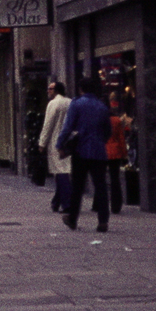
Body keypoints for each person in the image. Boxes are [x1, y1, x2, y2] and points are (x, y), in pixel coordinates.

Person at [61, 78, 114, 232]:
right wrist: (100, 141)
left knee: (77, 187)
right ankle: (103, 221)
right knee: (101, 186)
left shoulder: (76, 104)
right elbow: (107, 131)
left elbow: (68, 126)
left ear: (80, 89)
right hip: (99, 152)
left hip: (81, 151)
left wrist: (60, 144)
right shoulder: (102, 106)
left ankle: (72, 219)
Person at [37, 80, 72, 213]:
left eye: (50, 89)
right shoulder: (70, 102)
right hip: (69, 142)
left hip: (56, 142)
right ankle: (56, 202)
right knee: (63, 170)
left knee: (61, 172)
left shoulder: (53, 104)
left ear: (56, 90)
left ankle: (66, 203)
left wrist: (42, 143)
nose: (48, 91)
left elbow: (48, 125)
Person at [105, 92, 131, 214]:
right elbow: (121, 138)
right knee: (115, 179)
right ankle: (116, 205)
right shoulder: (116, 120)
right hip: (115, 152)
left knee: (101, 179)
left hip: (102, 152)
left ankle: (99, 203)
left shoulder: (99, 119)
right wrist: (125, 154)